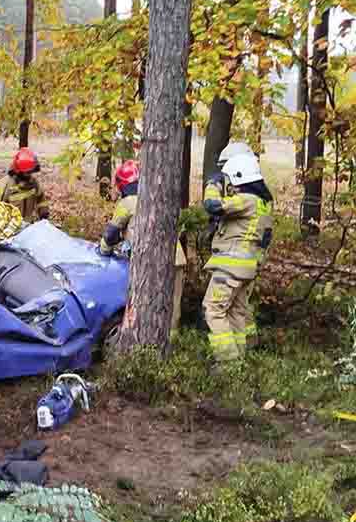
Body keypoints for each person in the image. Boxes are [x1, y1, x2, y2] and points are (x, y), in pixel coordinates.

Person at [201, 151, 274, 364]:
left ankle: (228, 362)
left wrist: (213, 184)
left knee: (213, 309)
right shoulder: (262, 203)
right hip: (246, 268)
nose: (230, 186)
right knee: (236, 313)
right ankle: (239, 358)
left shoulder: (246, 200)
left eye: (231, 180)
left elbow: (213, 206)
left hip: (230, 267)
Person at [99, 159, 187, 329]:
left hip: (152, 263)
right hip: (176, 257)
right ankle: (172, 343)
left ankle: (146, 346)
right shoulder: (159, 197)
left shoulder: (127, 203)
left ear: (122, 184)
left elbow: (110, 234)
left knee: (149, 305)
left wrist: (104, 250)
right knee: (173, 307)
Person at [0, 147, 49, 223]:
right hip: (10, 228)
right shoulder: (3, 185)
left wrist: (44, 214)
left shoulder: (34, 183)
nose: (30, 174)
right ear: (18, 171)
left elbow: (41, 200)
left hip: (28, 225)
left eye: (31, 171)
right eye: (27, 172)